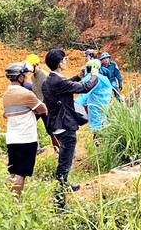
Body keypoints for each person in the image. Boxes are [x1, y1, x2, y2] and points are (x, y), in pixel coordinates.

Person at [42, 48, 99, 205]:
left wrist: (79, 76)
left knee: (67, 156)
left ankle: (64, 185)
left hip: (57, 124)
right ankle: (59, 202)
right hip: (65, 125)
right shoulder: (58, 81)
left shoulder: (48, 80)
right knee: (64, 163)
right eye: (65, 59)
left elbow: (66, 85)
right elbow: (85, 88)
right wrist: (93, 76)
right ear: (60, 63)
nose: (66, 61)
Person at [3, 62, 48, 197]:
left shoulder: (6, 95)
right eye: (25, 76)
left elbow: (6, 114)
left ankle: (7, 200)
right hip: (26, 139)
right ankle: (15, 202)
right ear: (20, 77)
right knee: (21, 173)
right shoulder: (27, 94)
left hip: (11, 138)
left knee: (12, 171)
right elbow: (43, 109)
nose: (27, 78)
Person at [75, 59, 113, 133]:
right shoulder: (97, 77)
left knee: (98, 126)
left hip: (97, 105)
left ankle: (98, 142)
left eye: (88, 68)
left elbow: (84, 93)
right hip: (95, 104)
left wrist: (71, 103)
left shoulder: (97, 78)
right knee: (99, 124)